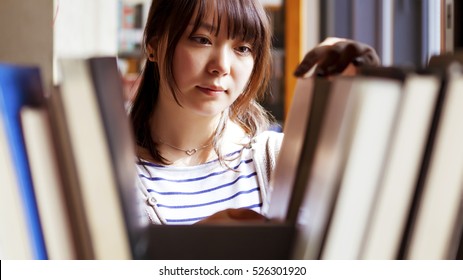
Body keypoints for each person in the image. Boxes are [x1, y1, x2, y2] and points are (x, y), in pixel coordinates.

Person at [130, 0, 380, 225]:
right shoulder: (110, 176)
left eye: (242, 48)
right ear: (153, 45)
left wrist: (367, 92)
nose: (222, 66)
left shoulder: (279, 159)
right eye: (202, 39)